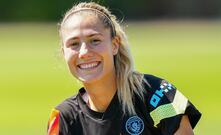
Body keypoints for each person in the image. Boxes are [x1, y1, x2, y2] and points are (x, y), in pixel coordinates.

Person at [47, 2, 201, 135]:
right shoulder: (62, 117)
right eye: (74, 44)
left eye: (94, 40)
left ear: (115, 45)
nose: (84, 52)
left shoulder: (156, 93)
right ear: (64, 52)